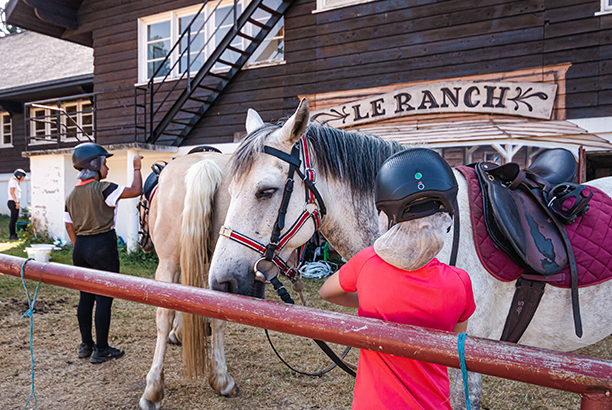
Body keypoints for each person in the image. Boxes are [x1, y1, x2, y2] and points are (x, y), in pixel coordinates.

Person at [319, 148, 476, 410]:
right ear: (445, 217)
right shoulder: (461, 282)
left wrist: (369, 302)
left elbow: (326, 292)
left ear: (386, 218)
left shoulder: (367, 263)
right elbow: (454, 349)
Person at [64, 142, 143, 364]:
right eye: (105, 163)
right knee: (104, 299)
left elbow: (69, 226)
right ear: (95, 164)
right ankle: (101, 349)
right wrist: (136, 168)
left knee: (85, 297)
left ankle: (85, 345)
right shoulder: (104, 188)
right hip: (102, 246)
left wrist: (80, 246)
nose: (107, 168)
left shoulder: (71, 195)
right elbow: (136, 190)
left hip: (80, 248)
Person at [7, 168, 26, 240]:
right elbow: (12, 193)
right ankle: (12, 235)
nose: (23, 179)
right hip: (13, 202)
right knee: (13, 219)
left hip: (14, 201)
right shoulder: (13, 182)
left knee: (15, 219)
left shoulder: (15, 182)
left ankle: (14, 234)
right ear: (18, 176)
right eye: (22, 177)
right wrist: (16, 202)